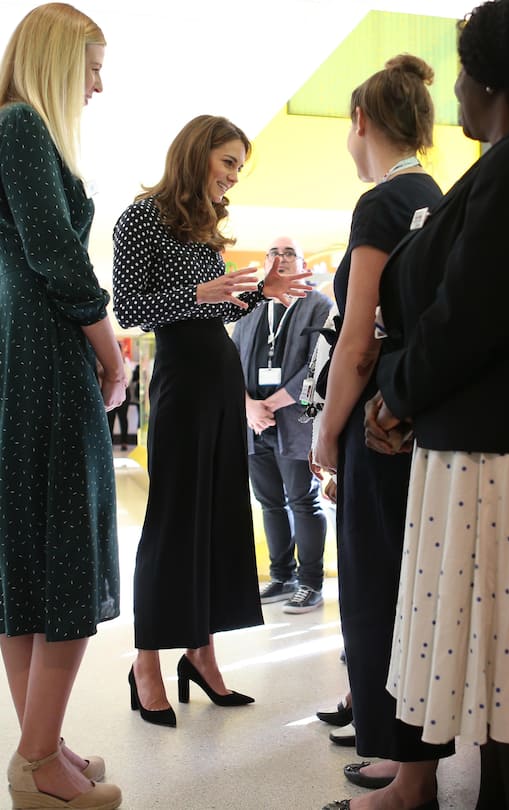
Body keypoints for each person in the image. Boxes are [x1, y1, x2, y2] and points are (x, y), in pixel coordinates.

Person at [354, 2, 509, 809]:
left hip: (501, 457)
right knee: (505, 681)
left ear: (492, 79)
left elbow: (470, 315)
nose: (453, 89)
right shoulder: (506, 160)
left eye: (462, 70)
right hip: (481, 444)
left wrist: (393, 394)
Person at [112, 115, 311, 727]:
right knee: (172, 521)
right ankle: (146, 662)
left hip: (221, 378)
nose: (233, 177)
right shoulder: (140, 217)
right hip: (182, 382)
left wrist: (259, 291)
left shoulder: (203, 225)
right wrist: (200, 294)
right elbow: (130, 307)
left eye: (238, 167)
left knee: (219, 516)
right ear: (197, 153)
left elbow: (217, 306)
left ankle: (201, 652)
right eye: (228, 162)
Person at [311, 55, 455, 810]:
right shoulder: (437, 195)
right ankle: (412, 765)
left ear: (361, 121)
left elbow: (357, 340)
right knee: (413, 589)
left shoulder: (380, 204)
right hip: (422, 421)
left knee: (375, 588)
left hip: (376, 422)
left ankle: (407, 776)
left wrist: (325, 428)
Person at [0, 4, 124, 809]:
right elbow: (56, 255)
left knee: (27, 570)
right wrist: (112, 353)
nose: (98, 87)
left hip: (23, 357)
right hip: (46, 359)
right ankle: (38, 764)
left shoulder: (11, 128)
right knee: (68, 559)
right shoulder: (21, 126)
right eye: (93, 68)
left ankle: (39, 747)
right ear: (57, 60)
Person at [231, 236, 332, 613]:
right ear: (265, 262)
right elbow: (231, 363)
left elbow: (320, 365)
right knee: (269, 502)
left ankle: (310, 583)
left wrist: (270, 405)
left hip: (295, 421)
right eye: (274, 253)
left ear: (303, 264)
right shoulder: (249, 308)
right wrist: (249, 407)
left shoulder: (318, 305)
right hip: (254, 425)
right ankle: (281, 576)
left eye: (290, 253)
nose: (282, 259)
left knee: (303, 501)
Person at [107, 342, 133, 449]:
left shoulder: (125, 362)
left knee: (123, 418)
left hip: (124, 391)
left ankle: (124, 442)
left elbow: (128, 377)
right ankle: (110, 442)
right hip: (112, 390)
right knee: (110, 418)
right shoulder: (108, 360)